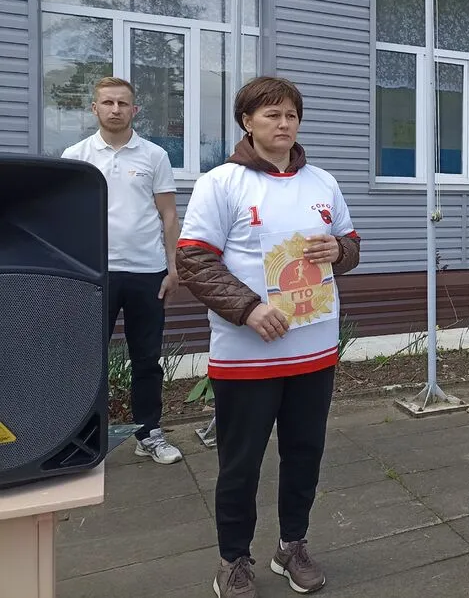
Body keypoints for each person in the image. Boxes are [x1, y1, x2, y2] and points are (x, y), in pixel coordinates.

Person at [176, 76, 360, 598]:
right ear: (247, 121)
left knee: (305, 455)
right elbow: (193, 259)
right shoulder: (221, 183)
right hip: (247, 355)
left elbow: (350, 243)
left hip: (314, 349)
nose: (284, 124)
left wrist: (339, 251)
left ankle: (292, 546)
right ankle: (234, 560)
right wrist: (248, 308)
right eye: (272, 115)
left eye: (291, 115)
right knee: (240, 465)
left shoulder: (322, 182)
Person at [61, 76, 183, 465]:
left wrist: (173, 268)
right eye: (108, 102)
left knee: (146, 359)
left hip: (148, 273)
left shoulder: (154, 156)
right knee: (86, 360)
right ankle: (81, 438)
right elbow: (67, 218)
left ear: (135, 110)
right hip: (96, 274)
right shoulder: (76, 156)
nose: (115, 109)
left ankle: (149, 433)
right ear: (94, 108)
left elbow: (168, 215)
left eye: (123, 103)